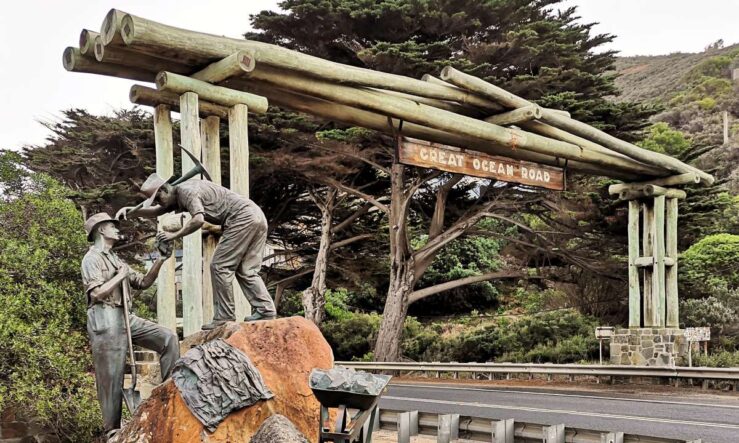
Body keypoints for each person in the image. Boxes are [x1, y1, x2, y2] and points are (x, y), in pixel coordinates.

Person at [115, 174, 277, 330]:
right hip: (256, 216)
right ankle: (265, 309)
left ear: (165, 189)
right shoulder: (176, 194)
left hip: (241, 218)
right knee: (246, 270)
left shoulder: (186, 191)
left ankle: (225, 316)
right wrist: (130, 211)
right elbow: (157, 211)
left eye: (158, 198)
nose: (160, 203)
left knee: (219, 266)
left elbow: (198, 219)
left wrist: (174, 235)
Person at [81, 213, 180, 437]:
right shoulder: (92, 259)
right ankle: (112, 431)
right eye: (111, 226)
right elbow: (96, 294)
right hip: (104, 318)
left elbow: (143, 283)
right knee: (111, 379)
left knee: (168, 338)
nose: (117, 229)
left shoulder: (116, 259)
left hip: (125, 317)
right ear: (100, 231)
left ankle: (171, 395)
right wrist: (120, 276)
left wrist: (161, 259)